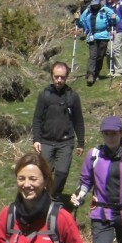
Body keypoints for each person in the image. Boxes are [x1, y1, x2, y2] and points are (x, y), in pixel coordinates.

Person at [32, 61, 85, 203]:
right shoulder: (44, 95)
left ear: (66, 77)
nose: (59, 80)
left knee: (62, 173)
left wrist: (81, 142)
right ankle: (43, 199)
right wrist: (36, 139)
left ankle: (53, 197)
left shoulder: (73, 97)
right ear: (52, 76)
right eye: (56, 77)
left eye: (62, 77)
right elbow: (37, 119)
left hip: (65, 142)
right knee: (44, 174)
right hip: (46, 141)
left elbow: (78, 120)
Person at [79, 0, 118, 86]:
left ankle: (97, 72)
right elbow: (81, 20)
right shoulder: (88, 11)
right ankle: (91, 74)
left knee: (100, 56)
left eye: (96, 4)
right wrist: (85, 28)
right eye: (93, 5)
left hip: (103, 36)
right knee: (93, 55)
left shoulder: (105, 10)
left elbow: (117, 20)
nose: (95, 6)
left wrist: (114, 18)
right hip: (92, 36)